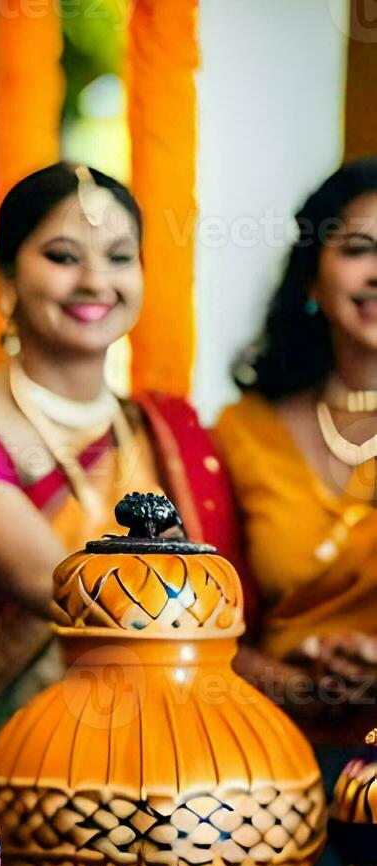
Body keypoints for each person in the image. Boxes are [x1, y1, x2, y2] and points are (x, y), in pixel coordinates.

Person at [0, 163, 247, 773]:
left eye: (119, 256)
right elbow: (55, 587)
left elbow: (229, 608)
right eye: (63, 257)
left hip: (165, 762)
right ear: (6, 280)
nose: (95, 281)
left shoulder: (167, 432)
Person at [214, 158, 377, 747]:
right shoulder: (243, 434)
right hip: (272, 758)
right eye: (359, 247)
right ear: (312, 275)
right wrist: (299, 687)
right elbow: (195, 620)